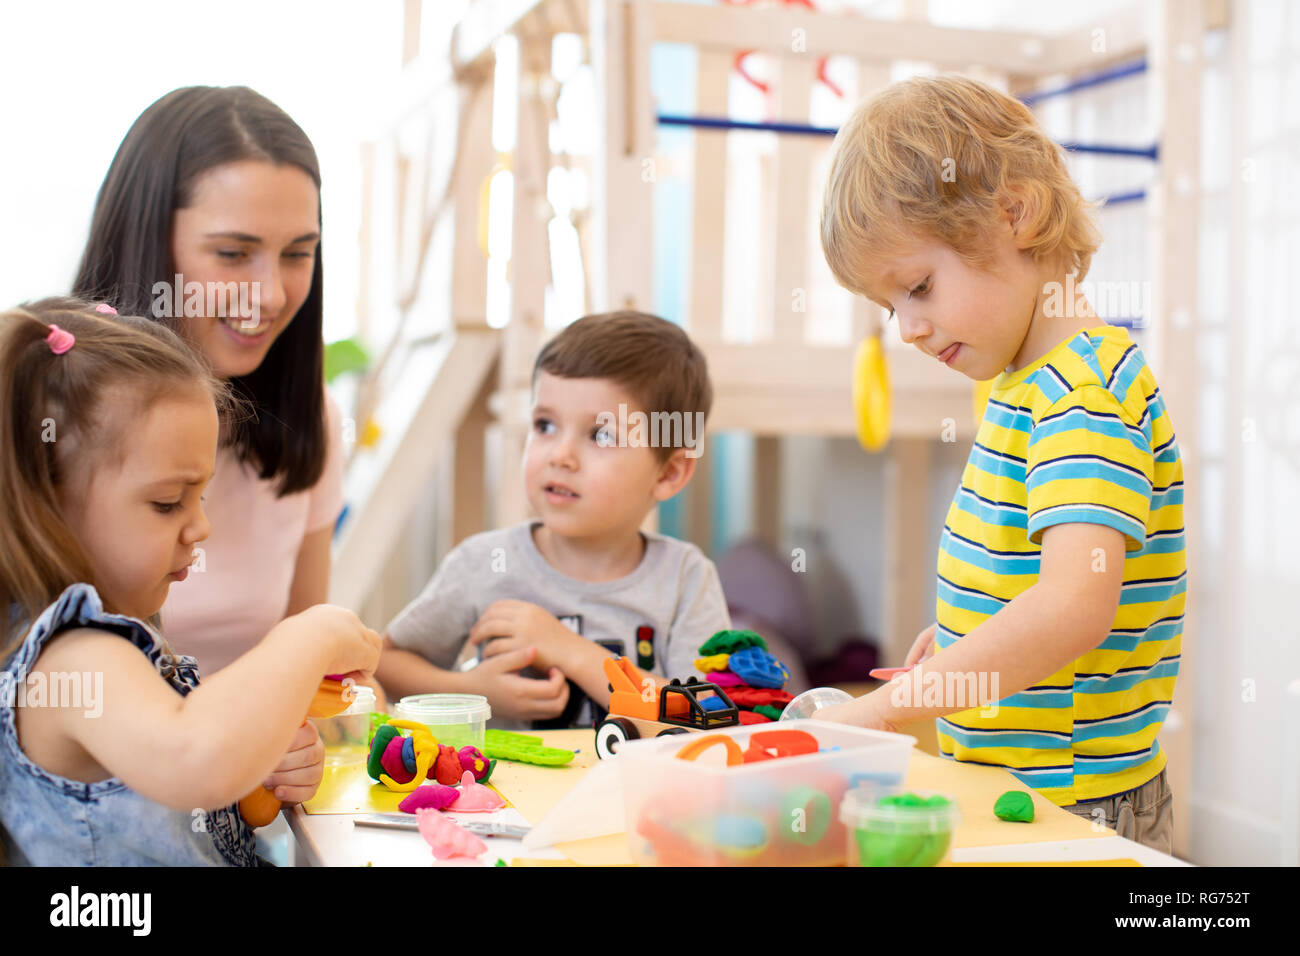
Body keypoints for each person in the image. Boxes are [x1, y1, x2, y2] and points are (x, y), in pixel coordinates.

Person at [815, 75, 1183, 852]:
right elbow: (1028, 576)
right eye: (891, 307)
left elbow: (1072, 607)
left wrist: (891, 707)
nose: (908, 328)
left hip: (1078, 801)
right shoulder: (1027, 386)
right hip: (1025, 787)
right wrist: (962, 632)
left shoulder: (1083, 397)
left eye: (918, 287)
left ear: (1015, 214)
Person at [0, 299, 380, 865]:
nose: (200, 527)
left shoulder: (120, 645)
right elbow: (196, 758)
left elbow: (193, 789)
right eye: (167, 502)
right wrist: (311, 635)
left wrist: (258, 771)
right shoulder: (69, 662)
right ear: (46, 504)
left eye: (200, 496)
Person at [72, 86, 364, 694]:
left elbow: (314, 679)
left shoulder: (308, 417)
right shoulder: (51, 414)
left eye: (297, 254)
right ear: (148, 238)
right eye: (233, 253)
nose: (271, 295)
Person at [376, 311, 730, 727]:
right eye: (544, 425)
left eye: (601, 435)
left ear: (668, 473)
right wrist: (473, 691)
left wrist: (572, 652)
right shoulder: (482, 564)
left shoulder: (686, 579)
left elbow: (709, 715)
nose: (560, 455)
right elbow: (385, 663)